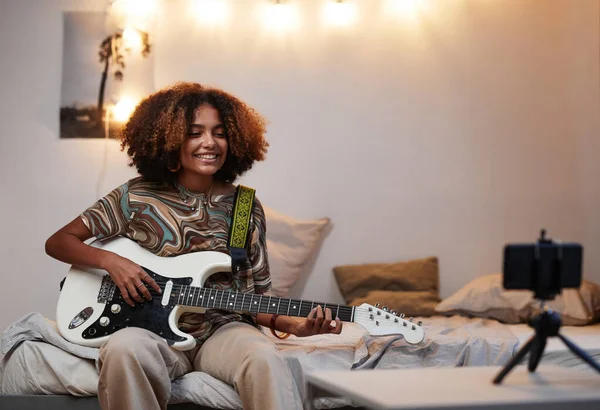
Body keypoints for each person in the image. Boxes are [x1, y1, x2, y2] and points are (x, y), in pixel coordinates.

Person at [45, 82, 343, 410]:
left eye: (219, 133)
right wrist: (112, 261)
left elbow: (257, 300)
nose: (210, 143)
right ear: (170, 138)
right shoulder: (136, 196)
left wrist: (298, 327)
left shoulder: (244, 206)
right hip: (151, 332)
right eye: (195, 132)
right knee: (122, 348)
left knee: (263, 356)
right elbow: (59, 242)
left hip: (223, 331)